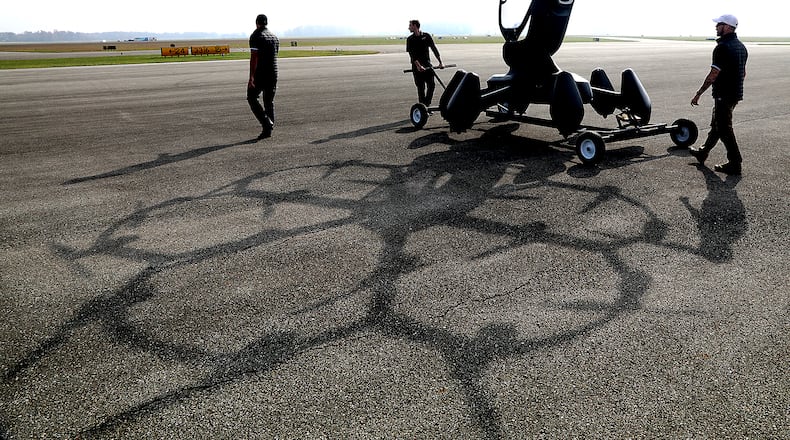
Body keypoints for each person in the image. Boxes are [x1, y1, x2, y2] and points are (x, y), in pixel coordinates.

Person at [689, 14, 748, 175]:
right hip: (734, 94)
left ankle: (735, 163)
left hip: (724, 94)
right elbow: (743, 73)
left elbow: (713, 74)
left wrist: (698, 93)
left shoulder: (722, 47)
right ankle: (703, 151)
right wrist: (734, 87)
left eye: (719, 24)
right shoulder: (741, 47)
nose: (716, 27)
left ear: (728, 27)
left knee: (724, 128)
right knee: (717, 125)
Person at [248, 14, 279, 140]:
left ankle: (266, 123)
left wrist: (251, 77)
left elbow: (254, 57)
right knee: (268, 101)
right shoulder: (274, 37)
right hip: (273, 72)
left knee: (251, 97)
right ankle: (268, 129)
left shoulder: (255, 36)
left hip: (261, 73)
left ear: (256, 23)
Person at [406, 20, 444, 107]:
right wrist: (419, 66)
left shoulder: (426, 36)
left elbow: (434, 49)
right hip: (416, 67)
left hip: (427, 65)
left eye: (410, 25)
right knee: (421, 88)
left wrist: (440, 62)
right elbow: (412, 55)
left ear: (415, 26)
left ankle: (426, 104)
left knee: (432, 85)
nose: (409, 27)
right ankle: (423, 107)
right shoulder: (410, 39)